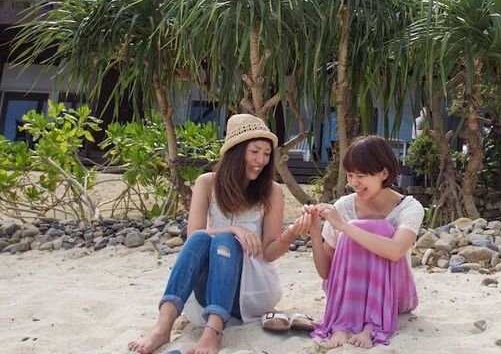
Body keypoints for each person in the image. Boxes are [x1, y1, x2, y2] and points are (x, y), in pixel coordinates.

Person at [128, 114, 309, 354]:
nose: (261, 160)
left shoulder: (272, 191)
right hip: (208, 288)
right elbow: (193, 236)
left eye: (266, 154)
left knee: (223, 239)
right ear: (236, 151)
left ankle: (213, 332)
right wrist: (234, 228)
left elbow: (269, 253)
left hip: (250, 290)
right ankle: (162, 328)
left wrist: (291, 234)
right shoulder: (206, 183)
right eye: (255, 152)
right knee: (204, 237)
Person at [299, 134, 423, 349]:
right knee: (357, 228)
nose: (354, 183)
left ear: (384, 173)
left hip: (394, 293)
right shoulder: (344, 206)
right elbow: (327, 273)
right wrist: (315, 232)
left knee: (375, 228)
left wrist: (345, 226)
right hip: (348, 294)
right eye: (349, 175)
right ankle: (343, 324)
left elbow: (395, 251)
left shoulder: (409, 207)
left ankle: (371, 326)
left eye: (361, 175)